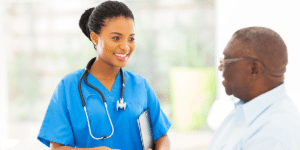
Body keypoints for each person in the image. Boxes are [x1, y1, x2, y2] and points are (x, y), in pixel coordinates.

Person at [37, 1, 171, 150]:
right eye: (116, 38)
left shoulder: (140, 85)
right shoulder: (68, 86)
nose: (126, 46)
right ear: (94, 38)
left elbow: (162, 137)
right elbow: (57, 147)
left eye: (131, 38)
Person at [207, 27, 300, 150]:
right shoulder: (242, 111)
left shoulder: (273, 134)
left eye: (226, 61)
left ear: (254, 69)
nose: (221, 68)